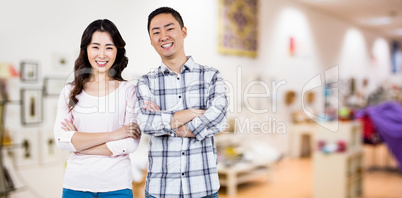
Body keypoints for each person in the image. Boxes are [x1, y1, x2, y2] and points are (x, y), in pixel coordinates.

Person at [136, 7, 228, 198]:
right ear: (151, 40)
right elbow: (146, 123)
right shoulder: (146, 82)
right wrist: (196, 112)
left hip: (203, 187)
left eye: (169, 28)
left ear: (183, 32)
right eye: (156, 32)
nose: (163, 36)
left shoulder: (210, 76)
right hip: (160, 190)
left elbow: (218, 118)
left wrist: (168, 123)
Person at [54, 19, 141, 198]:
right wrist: (114, 134)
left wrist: (78, 144)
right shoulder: (70, 92)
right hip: (76, 185)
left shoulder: (129, 91)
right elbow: (62, 139)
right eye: (95, 47)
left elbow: (130, 143)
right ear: (86, 50)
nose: (102, 54)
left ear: (117, 51)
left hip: (116, 186)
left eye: (109, 47)